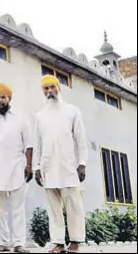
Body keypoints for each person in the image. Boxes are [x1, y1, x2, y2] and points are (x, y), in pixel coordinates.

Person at [34, 75, 88, 253]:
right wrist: (36, 168)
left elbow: (81, 139)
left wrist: (82, 163)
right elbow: (37, 143)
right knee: (53, 207)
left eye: (52, 87)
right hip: (48, 166)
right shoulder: (40, 116)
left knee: (73, 204)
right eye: (46, 89)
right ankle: (57, 242)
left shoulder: (72, 111)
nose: (49, 91)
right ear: (42, 92)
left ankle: (75, 241)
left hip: (68, 166)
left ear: (59, 88)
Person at [0, 84, 33, 253]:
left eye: (3, 97)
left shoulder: (21, 119)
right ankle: (1, 242)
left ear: (9, 99)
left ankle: (18, 243)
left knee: (17, 208)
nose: (0, 100)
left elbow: (29, 145)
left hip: (16, 168)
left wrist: (29, 166)